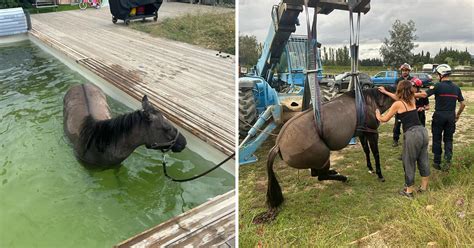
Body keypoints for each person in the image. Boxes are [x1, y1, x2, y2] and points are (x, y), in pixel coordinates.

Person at [376, 80, 430, 197]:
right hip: (423, 131)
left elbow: (384, 119)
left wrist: (377, 115)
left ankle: (409, 191)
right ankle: (424, 188)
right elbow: (421, 94)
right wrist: (386, 92)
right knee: (423, 158)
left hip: (412, 134)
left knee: (408, 161)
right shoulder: (412, 98)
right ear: (411, 90)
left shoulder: (397, 104)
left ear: (399, 89)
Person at [416, 64, 465, 170]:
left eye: (437, 74)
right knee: (448, 139)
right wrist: (457, 115)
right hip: (451, 116)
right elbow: (463, 104)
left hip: (439, 116)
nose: (437, 76)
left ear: (441, 74)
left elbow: (424, 95)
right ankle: (447, 163)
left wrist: (411, 94)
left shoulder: (438, 86)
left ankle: (437, 162)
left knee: (437, 139)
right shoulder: (456, 87)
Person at [392, 63, 414, 147]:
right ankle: (395, 139)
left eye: (406, 70)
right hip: (400, 103)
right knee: (397, 123)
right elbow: (396, 91)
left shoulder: (412, 80)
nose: (404, 72)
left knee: (409, 123)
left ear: (409, 71)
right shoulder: (398, 80)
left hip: (410, 103)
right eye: (403, 70)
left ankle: (409, 139)